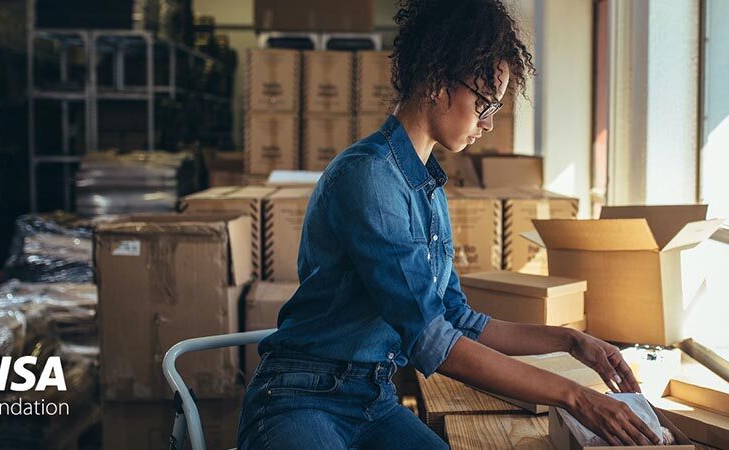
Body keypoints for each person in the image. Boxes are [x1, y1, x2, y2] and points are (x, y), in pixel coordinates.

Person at [238, 0, 661, 448]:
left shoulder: (429, 189)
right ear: (439, 81)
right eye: (483, 103)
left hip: (372, 400)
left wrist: (570, 341)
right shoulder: (369, 178)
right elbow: (429, 339)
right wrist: (575, 397)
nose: (489, 123)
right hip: (301, 396)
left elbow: (456, 318)